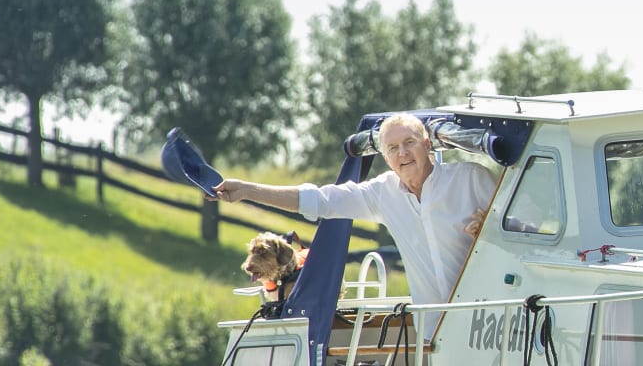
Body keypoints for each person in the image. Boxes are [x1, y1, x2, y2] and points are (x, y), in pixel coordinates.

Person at [212, 114, 496, 337]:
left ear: (427, 143)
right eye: (393, 148)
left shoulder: (472, 178)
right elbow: (320, 200)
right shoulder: (383, 193)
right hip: (435, 331)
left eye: (409, 143)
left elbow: (523, 229)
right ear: (386, 158)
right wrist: (248, 190)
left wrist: (491, 232)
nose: (402, 153)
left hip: (492, 321)